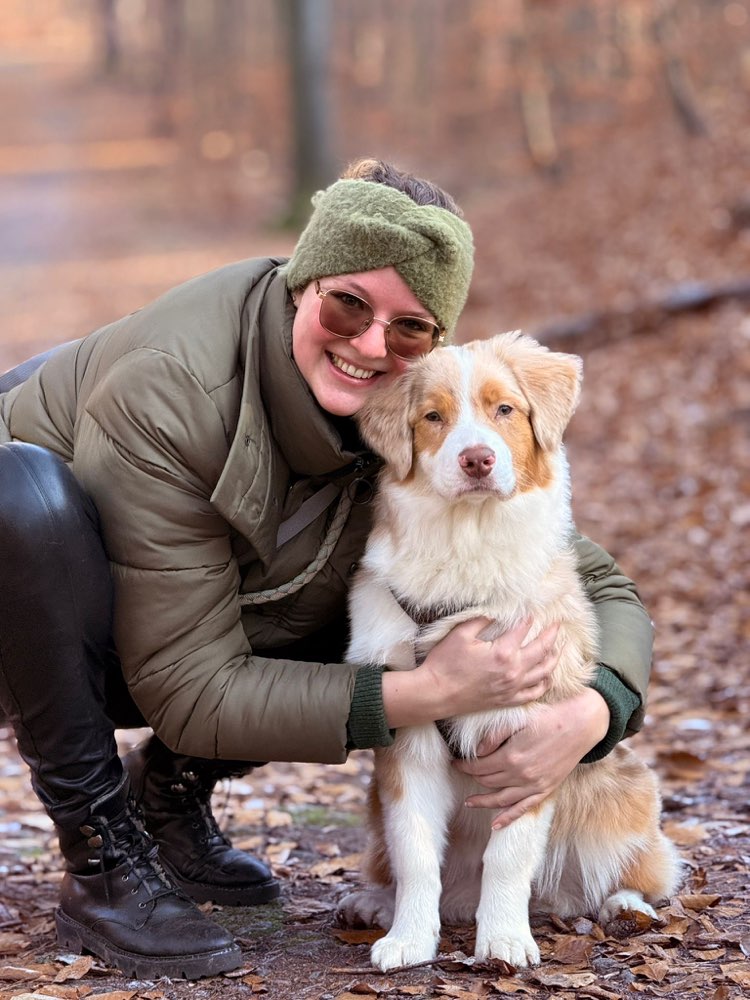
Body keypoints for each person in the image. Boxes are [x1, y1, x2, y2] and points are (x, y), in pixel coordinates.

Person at [0, 158, 652, 980]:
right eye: (349, 303)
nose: (373, 342)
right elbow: (189, 686)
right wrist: (425, 694)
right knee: (19, 497)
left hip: (140, 607)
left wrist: (593, 711)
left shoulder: (397, 411)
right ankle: (101, 857)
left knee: (385, 586)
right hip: (18, 598)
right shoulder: (173, 388)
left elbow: (587, 578)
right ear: (303, 281)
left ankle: (164, 797)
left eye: (409, 327)